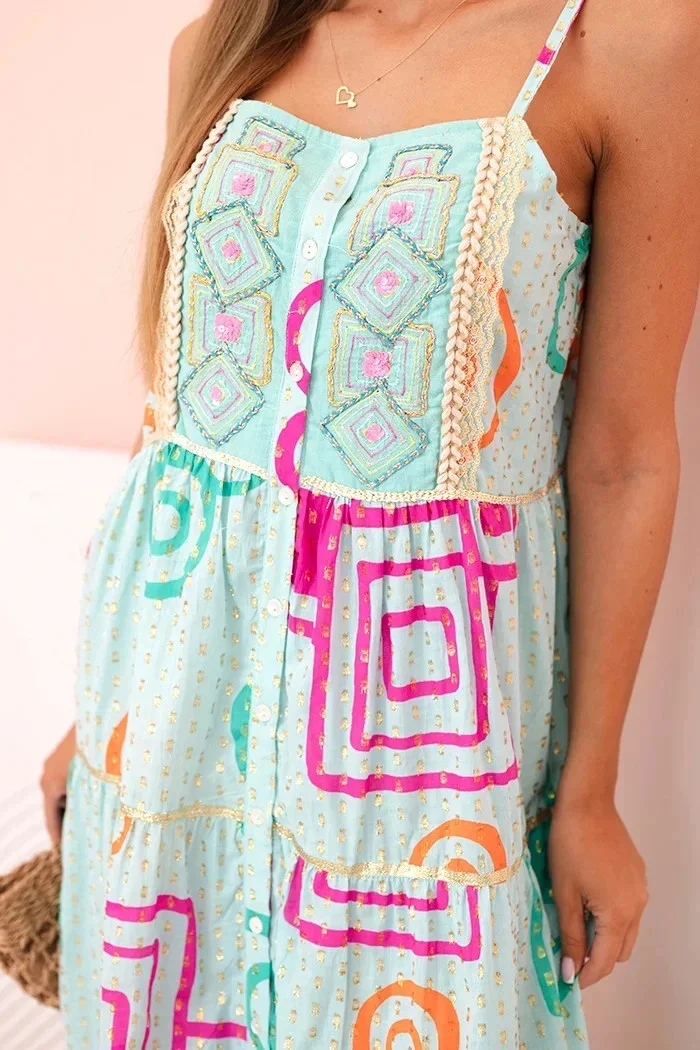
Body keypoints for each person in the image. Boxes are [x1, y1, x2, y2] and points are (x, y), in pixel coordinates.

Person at [42, 0, 699, 1046]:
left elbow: (623, 455)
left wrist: (590, 789)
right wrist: (98, 713)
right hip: (165, 722)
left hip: (419, 751)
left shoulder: (626, 46)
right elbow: (184, 401)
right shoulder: (225, 40)